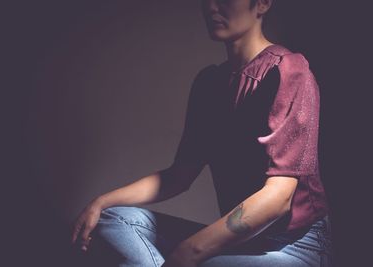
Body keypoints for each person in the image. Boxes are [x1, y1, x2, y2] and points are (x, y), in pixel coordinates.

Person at [71, 0, 333, 266]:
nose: (211, 7)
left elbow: (279, 197)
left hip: (293, 247)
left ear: (263, 3)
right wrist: (100, 202)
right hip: (236, 242)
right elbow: (178, 177)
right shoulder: (209, 85)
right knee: (113, 219)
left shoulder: (289, 71)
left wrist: (190, 251)